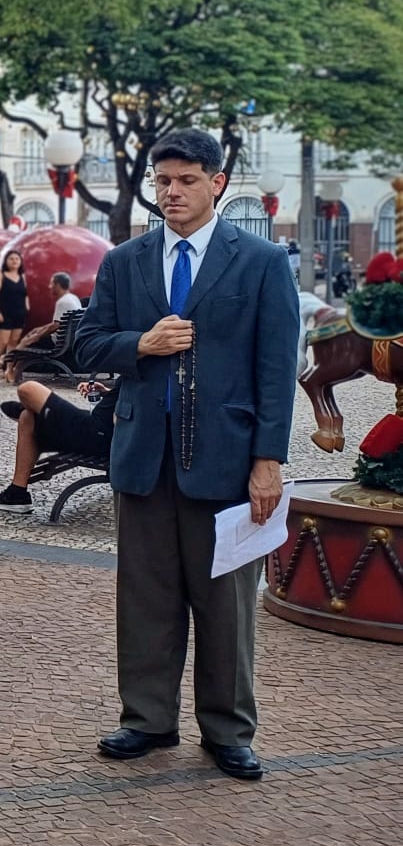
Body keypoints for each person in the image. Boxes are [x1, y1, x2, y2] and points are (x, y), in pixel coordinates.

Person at [73, 127, 299, 781]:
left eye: (186, 180)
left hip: (227, 461)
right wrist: (140, 343)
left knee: (226, 603)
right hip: (142, 457)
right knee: (145, 596)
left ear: (216, 183)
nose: (171, 191)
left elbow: (275, 369)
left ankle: (227, 730)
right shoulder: (125, 261)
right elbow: (86, 344)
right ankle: (146, 719)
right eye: (163, 180)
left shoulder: (259, 262)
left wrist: (267, 460)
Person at [0, 379, 119, 513]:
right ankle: (17, 493)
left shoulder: (132, 367)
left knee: (28, 389)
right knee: (28, 417)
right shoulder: (132, 372)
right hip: (100, 432)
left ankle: (41, 416)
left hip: (98, 435)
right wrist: (107, 392)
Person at [2, 271, 84, 381]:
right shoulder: (73, 298)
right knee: (30, 338)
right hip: (68, 340)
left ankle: (10, 370)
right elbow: (58, 323)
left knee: (26, 341)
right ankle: (12, 369)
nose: (50, 287)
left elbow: (55, 326)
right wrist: (39, 329)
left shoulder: (63, 302)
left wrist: (37, 336)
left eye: (51, 284)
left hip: (58, 343)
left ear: (57, 285)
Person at [0, 248, 29, 380]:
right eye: (11, 259)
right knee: (2, 342)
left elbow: (24, 294)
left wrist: (27, 306)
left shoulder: (22, 276)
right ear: (5, 261)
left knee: (13, 343)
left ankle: (9, 371)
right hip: (5, 314)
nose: (14, 261)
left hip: (19, 313)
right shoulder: (0, 275)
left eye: (17, 259)